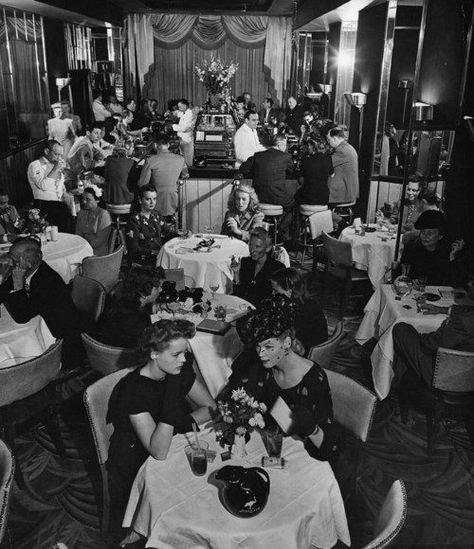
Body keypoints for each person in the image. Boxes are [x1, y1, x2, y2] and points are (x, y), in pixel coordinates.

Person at [106, 319, 215, 536]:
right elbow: (158, 450)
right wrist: (174, 390)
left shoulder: (177, 369)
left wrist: (175, 425)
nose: (184, 360)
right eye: (176, 355)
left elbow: (211, 409)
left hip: (168, 443)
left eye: (185, 352)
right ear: (154, 354)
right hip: (134, 460)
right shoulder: (133, 389)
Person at [226, 294, 338, 462]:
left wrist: (311, 429)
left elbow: (329, 449)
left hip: (303, 456)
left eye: (268, 347)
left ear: (286, 343)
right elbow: (236, 398)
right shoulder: (260, 365)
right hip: (267, 445)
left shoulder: (313, 379)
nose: (261, 353)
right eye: (258, 346)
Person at [0, 237, 84, 367]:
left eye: (14, 260)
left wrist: (18, 286)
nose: (10, 264)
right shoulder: (26, 271)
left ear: (27, 263)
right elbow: (4, 291)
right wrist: (4, 279)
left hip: (60, 342)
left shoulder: (46, 281)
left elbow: (22, 316)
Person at [392, 277, 474, 386]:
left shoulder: (462, 320)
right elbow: (469, 312)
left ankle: (392, 387)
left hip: (443, 375)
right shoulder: (466, 316)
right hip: (467, 373)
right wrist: (443, 310)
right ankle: (400, 384)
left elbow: (430, 345)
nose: (469, 283)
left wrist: (419, 335)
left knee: (401, 329)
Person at [91, 265, 165, 348]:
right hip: (123, 355)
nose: (160, 290)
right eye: (157, 287)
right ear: (143, 292)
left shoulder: (120, 300)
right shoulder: (140, 321)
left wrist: (160, 307)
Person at [240, 133, 295, 242]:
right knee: (293, 206)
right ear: (280, 144)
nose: (285, 148)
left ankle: (265, 233)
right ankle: (279, 231)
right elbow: (292, 170)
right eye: (285, 145)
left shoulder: (257, 156)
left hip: (258, 198)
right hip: (277, 197)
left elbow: (243, 169)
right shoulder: (286, 157)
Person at [270, 267, 328, 355]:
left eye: (275, 291)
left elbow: (286, 338)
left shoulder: (295, 311)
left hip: (304, 353)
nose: (272, 294)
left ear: (289, 292)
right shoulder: (308, 302)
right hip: (314, 350)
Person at [27, 140, 73, 232]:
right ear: (47, 151)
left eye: (61, 155)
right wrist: (55, 169)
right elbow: (43, 186)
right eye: (56, 154)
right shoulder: (35, 165)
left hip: (59, 206)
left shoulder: (55, 164)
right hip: (44, 207)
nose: (59, 158)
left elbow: (60, 186)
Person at [137, 133, 188, 218]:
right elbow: (185, 176)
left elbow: (142, 184)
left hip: (154, 201)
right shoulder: (181, 159)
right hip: (175, 200)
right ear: (168, 145)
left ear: (155, 145)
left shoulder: (150, 160)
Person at [233, 227, 285, 307]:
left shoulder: (277, 268)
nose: (252, 250)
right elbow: (239, 293)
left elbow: (279, 300)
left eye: (257, 246)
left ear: (268, 248)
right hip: (242, 308)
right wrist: (236, 273)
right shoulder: (245, 262)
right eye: (250, 245)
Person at [398, 210, 453, 285]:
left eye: (430, 233)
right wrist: (410, 281)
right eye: (423, 232)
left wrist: (452, 261)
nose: (425, 236)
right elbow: (401, 274)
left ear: (440, 236)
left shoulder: (447, 252)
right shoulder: (411, 248)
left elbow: (450, 282)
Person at [126, 185, 172, 266]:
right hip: (142, 261)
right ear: (140, 200)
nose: (152, 202)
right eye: (148, 199)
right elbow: (134, 248)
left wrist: (182, 234)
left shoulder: (157, 215)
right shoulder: (134, 220)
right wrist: (153, 252)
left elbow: (168, 233)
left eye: (154, 199)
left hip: (158, 257)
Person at [75, 185, 112, 256]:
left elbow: (100, 240)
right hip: (82, 248)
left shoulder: (103, 214)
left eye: (88, 200)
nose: (84, 202)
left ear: (97, 200)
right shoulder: (81, 213)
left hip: (97, 252)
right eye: (83, 199)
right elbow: (78, 233)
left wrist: (84, 248)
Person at [65, 121, 105, 188]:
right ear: (88, 133)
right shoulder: (84, 145)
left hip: (78, 172)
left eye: (100, 133)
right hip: (72, 177)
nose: (98, 136)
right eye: (96, 133)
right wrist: (99, 163)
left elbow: (95, 151)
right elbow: (86, 164)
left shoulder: (85, 140)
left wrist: (100, 157)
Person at [295, 137, 333, 206]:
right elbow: (332, 176)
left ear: (313, 147)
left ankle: (299, 215)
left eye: (308, 146)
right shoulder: (328, 159)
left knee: (296, 195)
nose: (307, 148)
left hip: (308, 197)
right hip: (324, 197)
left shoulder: (306, 160)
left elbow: (301, 181)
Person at [326, 126, 359, 206]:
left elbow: (326, 164)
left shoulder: (342, 150)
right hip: (347, 190)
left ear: (334, 138)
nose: (328, 143)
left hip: (343, 193)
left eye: (329, 140)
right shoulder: (347, 147)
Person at [172, 98, 195, 167]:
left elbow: (184, 128)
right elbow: (177, 114)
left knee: (187, 159)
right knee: (183, 158)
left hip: (186, 139)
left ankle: (188, 174)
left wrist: (172, 126)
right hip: (182, 138)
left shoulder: (190, 114)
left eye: (180, 106)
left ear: (185, 106)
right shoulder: (184, 113)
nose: (179, 108)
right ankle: (185, 173)